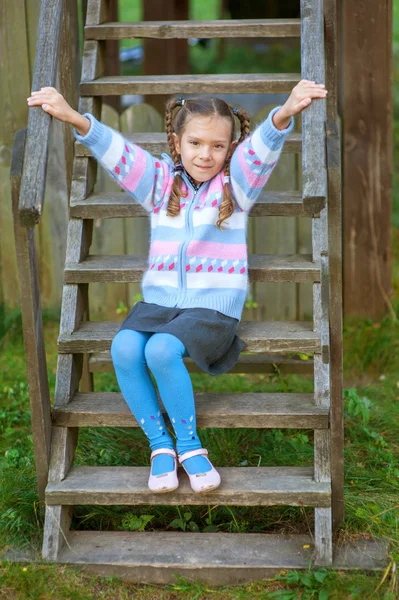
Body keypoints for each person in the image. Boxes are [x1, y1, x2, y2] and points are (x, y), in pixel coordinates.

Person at [27, 80, 328, 494]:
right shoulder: (160, 183)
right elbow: (120, 155)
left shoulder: (235, 186)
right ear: (176, 141)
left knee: (161, 349)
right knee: (124, 348)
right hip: (161, 303)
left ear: (230, 148)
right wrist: (73, 117)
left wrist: (285, 113)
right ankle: (160, 446)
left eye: (218, 146)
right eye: (196, 143)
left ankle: (189, 447)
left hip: (212, 308)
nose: (206, 154)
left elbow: (260, 151)